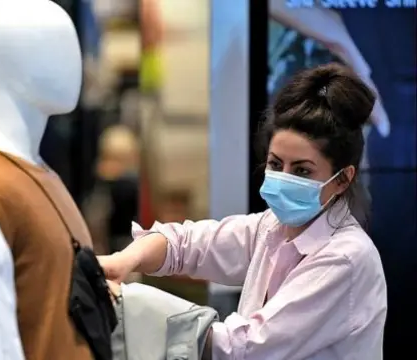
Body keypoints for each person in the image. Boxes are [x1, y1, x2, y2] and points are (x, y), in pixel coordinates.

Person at [98, 63, 387, 360]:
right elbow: (186, 245)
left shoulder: (345, 259)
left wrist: (132, 305)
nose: (283, 177)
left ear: (342, 179)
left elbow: (244, 348)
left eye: (301, 171)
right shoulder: (272, 228)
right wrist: (123, 260)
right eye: (275, 164)